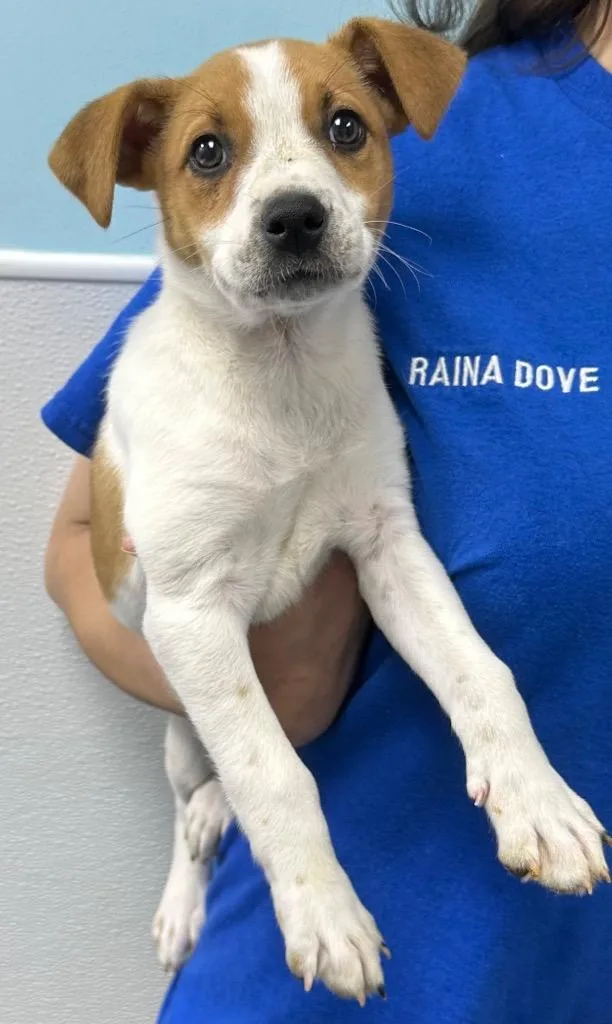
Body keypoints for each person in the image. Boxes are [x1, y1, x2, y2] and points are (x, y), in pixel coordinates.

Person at [42, 1, 612, 1020]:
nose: (290, 198)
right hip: (276, 960)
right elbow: (142, 590)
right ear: (148, 173)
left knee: (388, 535)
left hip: (550, 976)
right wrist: (291, 818)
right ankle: (200, 844)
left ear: (390, 130)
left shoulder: (361, 350)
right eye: (211, 154)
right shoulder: (166, 384)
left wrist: (504, 740)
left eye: (342, 129)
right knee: (190, 757)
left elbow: (390, 544)